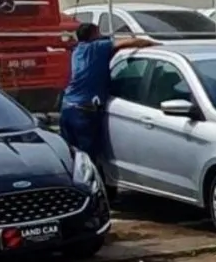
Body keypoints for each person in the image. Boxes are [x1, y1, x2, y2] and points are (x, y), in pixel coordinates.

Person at [59, 23, 158, 168]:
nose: (101, 35)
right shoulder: (97, 48)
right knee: (88, 160)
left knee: (72, 155)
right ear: (93, 35)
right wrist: (152, 43)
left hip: (67, 108)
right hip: (83, 113)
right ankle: (91, 187)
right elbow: (129, 43)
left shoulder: (78, 50)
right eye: (98, 32)